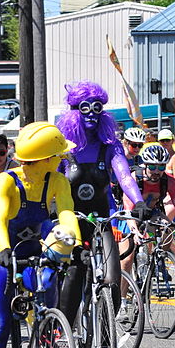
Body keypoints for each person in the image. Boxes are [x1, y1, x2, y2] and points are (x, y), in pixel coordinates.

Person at [0, 122, 79, 348]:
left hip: (34, 251)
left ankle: (48, 335)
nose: (64, 159)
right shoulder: (6, 181)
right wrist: (5, 250)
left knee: (47, 289)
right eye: (59, 155)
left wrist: (73, 241)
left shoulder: (58, 181)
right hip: (2, 255)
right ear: (45, 158)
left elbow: (66, 213)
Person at [56, 81, 150, 324]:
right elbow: (51, 179)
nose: (91, 114)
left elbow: (125, 176)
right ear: (74, 111)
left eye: (97, 108)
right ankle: (60, 332)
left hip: (102, 217)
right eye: (85, 107)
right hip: (70, 220)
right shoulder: (63, 148)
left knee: (111, 277)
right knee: (74, 272)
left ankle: (105, 337)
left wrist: (138, 202)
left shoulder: (110, 145)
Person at [119, 144, 175, 300]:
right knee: (127, 259)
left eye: (161, 167)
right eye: (152, 166)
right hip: (130, 214)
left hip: (152, 213)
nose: (157, 171)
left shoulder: (167, 181)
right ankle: (122, 301)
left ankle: (155, 257)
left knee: (166, 227)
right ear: (145, 164)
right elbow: (128, 205)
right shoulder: (134, 178)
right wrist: (134, 230)